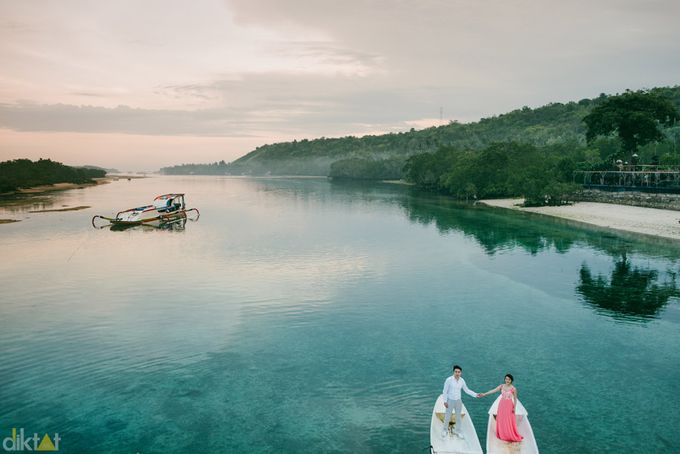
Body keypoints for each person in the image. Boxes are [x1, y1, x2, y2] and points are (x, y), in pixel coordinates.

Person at [479, 374, 523, 443]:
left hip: (509, 405)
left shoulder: (513, 389)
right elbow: (493, 390)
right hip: (502, 405)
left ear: (511, 380)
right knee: (502, 418)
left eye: (509, 379)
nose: (507, 380)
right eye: (506, 379)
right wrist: (484, 394)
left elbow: (515, 399)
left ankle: (509, 434)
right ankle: (502, 434)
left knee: (508, 419)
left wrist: (514, 407)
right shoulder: (501, 386)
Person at [440, 365, 480, 439]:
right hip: (450, 400)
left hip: (458, 401)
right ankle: (444, 430)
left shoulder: (462, 380)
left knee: (458, 417)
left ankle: (458, 431)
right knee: (447, 415)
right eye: (456, 372)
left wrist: (475, 395)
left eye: (459, 372)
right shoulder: (449, 380)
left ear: (461, 373)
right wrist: (445, 401)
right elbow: (444, 391)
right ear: (453, 372)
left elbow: (466, 390)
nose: (457, 373)